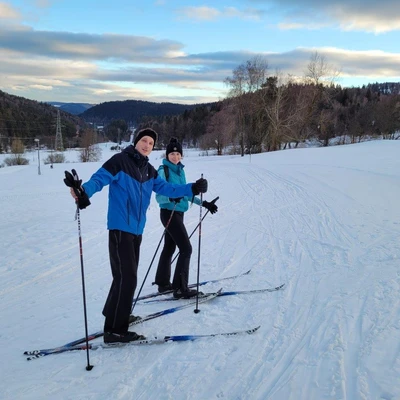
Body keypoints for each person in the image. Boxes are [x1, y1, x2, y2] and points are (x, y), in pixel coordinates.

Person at [64, 128, 208, 344]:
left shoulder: (149, 170)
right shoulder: (119, 161)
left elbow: (168, 189)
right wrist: (83, 191)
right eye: (144, 140)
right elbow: (99, 179)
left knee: (123, 277)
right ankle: (116, 331)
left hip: (136, 231)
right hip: (120, 228)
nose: (147, 145)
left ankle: (115, 316)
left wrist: (192, 188)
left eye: (151, 142)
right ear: (136, 142)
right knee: (127, 278)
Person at [154, 137, 218, 299]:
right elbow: (160, 194)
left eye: (178, 154)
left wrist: (205, 204)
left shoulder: (180, 171)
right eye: (172, 154)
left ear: (181, 155)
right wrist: (170, 198)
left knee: (169, 247)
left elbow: (186, 193)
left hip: (179, 213)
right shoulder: (163, 170)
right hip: (169, 213)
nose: (175, 157)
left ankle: (162, 283)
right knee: (186, 248)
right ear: (167, 155)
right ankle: (180, 288)